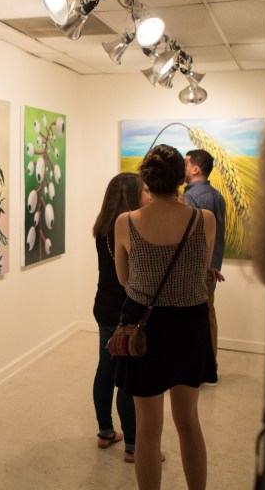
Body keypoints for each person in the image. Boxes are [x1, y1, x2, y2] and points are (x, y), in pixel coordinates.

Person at [113, 144, 219, 490]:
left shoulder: (126, 222)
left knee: (147, 427)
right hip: (189, 325)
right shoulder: (203, 219)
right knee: (188, 421)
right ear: (181, 179)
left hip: (144, 325)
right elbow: (202, 271)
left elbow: (124, 279)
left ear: (147, 178)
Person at [91, 172, 151, 462]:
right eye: (144, 191)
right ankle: (133, 446)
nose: (148, 195)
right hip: (124, 308)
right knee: (126, 376)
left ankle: (105, 432)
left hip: (103, 305)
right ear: (131, 194)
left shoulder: (102, 227)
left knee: (105, 369)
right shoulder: (131, 228)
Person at [182, 149, 226, 384]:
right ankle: (210, 365)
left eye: (186, 163)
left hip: (197, 272)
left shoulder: (191, 198)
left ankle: (198, 368)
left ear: (195, 169)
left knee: (196, 321)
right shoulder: (217, 195)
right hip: (212, 268)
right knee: (208, 315)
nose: (183, 167)